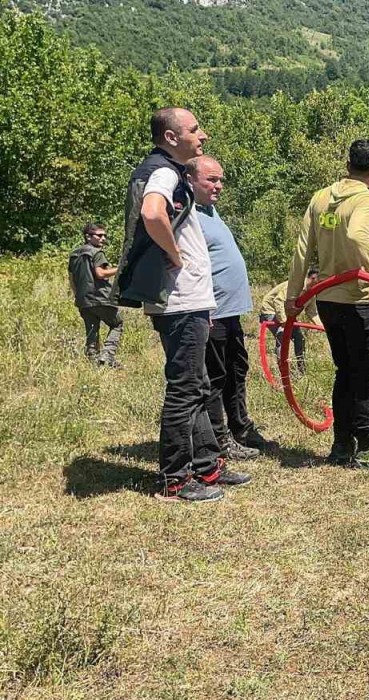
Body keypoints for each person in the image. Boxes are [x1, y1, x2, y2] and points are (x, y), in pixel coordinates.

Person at [111, 107, 249, 503]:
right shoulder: (165, 171)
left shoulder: (165, 170)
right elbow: (152, 214)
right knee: (185, 389)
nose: (202, 135)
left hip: (188, 301)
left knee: (201, 385)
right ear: (172, 138)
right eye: (194, 129)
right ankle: (174, 479)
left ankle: (207, 467)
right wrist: (173, 254)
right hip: (179, 301)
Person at [287, 139, 369, 469]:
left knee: (345, 371)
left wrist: (292, 297)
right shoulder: (366, 200)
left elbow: (302, 250)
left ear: (348, 165)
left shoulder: (321, 197)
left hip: (327, 300)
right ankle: (367, 444)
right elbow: (357, 235)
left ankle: (342, 445)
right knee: (364, 373)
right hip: (358, 301)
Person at [188, 155, 273, 460]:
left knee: (237, 370)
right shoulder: (188, 216)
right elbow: (187, 267)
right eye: (211, 179)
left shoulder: (209, 210)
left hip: (230, 312)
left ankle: (241, 427)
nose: (219, 185)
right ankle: (218, 439)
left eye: (220, 179)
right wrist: (204, 309)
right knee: (214, 376)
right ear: (190, 180)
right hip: (210, 312)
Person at [67, 222, 124, 368]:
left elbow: (72, 279)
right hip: (101, 297)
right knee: (117, 324)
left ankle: (94, 363)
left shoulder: (74, 255)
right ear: (88, 237)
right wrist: (121, 268)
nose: (103, 238)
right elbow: (101, 274)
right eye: (99, 235)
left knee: (92, 330)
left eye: (104, 235)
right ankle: (107, 356)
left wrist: (78, 296)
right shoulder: (96, 252)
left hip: (83, 300)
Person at [260, 271, 321, 373]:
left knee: (299, 339)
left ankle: (301, 371)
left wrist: (321, 326)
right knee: (282, 335)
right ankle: (283, 374)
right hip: (270, 311)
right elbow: (278, 300)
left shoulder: (312, 294)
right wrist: (283, 320)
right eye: (321, 280)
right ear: (313, 278)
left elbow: (312, 313)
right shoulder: (295, 286)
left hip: (288, 316)